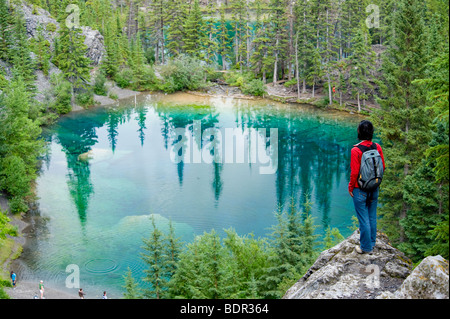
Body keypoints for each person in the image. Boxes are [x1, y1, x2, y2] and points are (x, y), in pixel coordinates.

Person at [349, 120, 385, 254]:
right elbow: (383, 167)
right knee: (372, 216)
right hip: (374, 187)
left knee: (363, 219)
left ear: (359, 132)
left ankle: (365, 248)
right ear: (371, 132)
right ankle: (372, 243)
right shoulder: (377, 147)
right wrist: (375, 183)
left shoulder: (356, 150)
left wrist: (351, 187)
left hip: (360, 189)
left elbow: (354, 172)